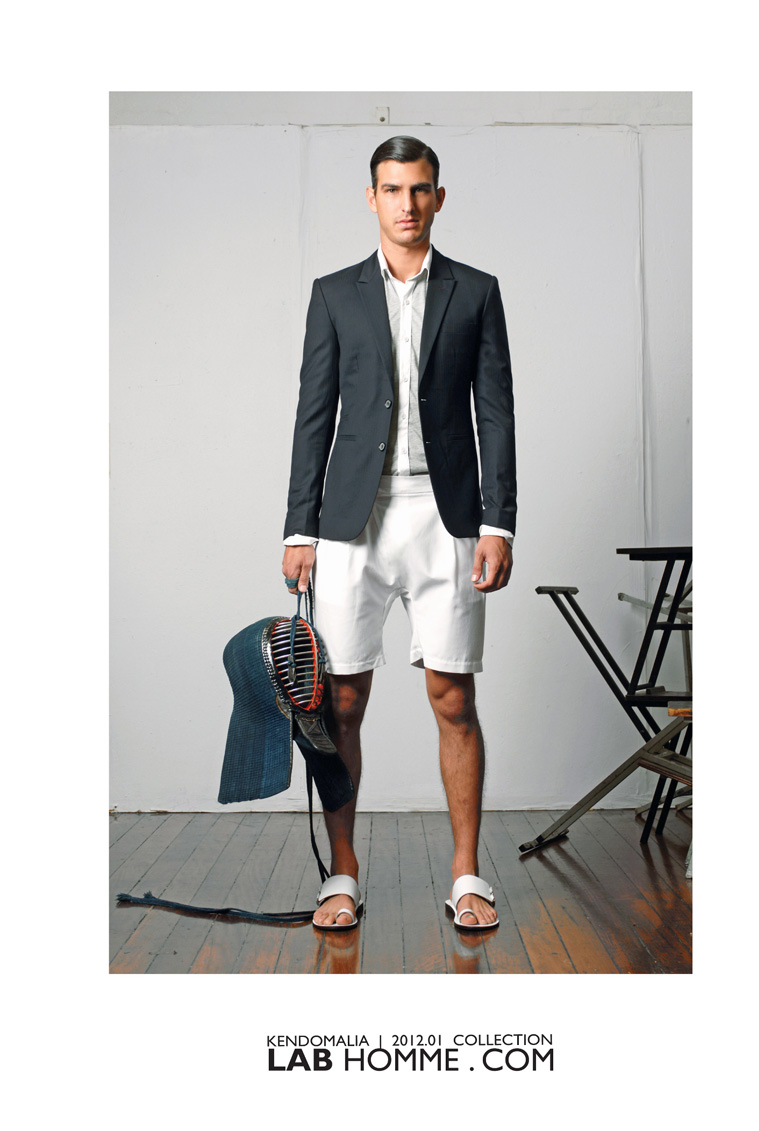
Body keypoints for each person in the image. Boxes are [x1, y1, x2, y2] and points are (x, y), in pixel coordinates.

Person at [281, 136, 516, 931]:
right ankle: (341, 874)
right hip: (352, 522)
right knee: (341, 699)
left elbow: (496, 413)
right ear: (371, 197)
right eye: (392, 189)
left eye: (419, 189)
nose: (407, 204)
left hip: (447, 517)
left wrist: (499, 521)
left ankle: (467, 874)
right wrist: (299, 527)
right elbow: (314, 415)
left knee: (454, 695)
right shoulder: (334, 295)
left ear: (438, 197)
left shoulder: (476, 291)